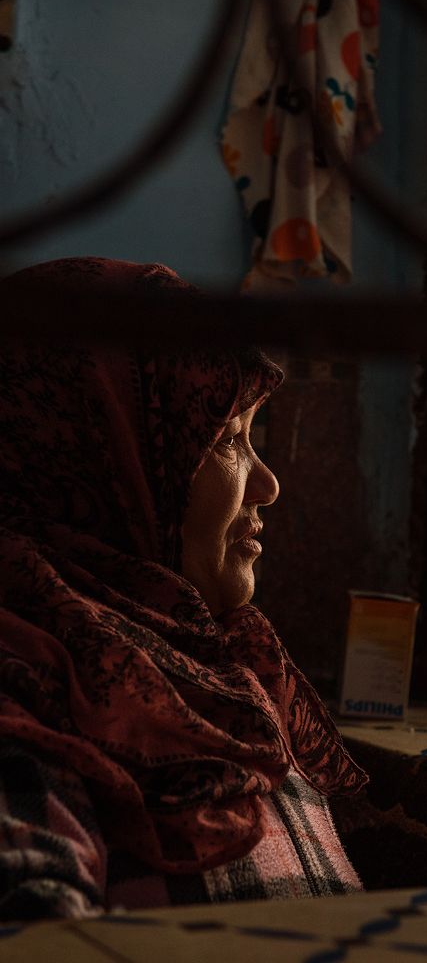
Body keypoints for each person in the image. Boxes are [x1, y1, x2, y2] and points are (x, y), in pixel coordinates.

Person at [0, 257, 366, 920]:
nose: (268, 485)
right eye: (227, 440)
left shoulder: (225, 670)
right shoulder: (29, 693)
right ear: (93, 459)